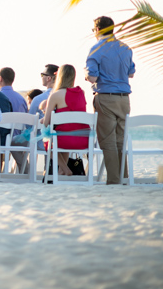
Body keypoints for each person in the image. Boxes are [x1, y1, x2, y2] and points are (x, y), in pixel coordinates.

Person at [85, 16, 135, 185]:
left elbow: (92, 77)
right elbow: (131, 73)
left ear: (98, 30)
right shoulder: (126, 48)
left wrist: (86, 75)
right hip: (124, 99)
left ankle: (114, 180)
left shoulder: (96, 49)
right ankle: (124, 178)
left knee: (108, 141)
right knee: (120, 140)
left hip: (105, 97)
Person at [41, 64, 90, 176]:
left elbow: (46, 123)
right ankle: (61, 171)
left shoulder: (55, 95)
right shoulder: (81, 93)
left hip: (63, 140)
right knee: (64, 133)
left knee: (47, 141)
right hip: (83, 139)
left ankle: (66, 169)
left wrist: (45, 118)